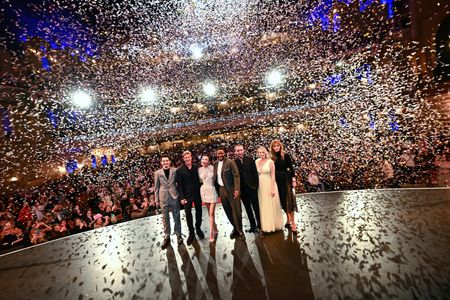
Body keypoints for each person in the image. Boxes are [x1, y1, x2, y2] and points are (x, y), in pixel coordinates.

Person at [213, 147, 245, 240]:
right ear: (216, 154)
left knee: (236, 210)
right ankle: (235, 228)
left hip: (232, 189)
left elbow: (236, 175)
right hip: (222, 190)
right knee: (227, 210)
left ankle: (240, 230)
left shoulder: (230, 162)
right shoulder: (215, 164)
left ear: (225, 153)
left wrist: (237, 189)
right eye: (218, 153)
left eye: (221, 153)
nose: (220, 155)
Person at [270, 140, 298, 234]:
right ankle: (288, 219)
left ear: (280, 146)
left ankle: (293, 223)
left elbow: (291, 167)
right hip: (277, 181)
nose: (276, 147)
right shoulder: (271, 158)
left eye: (278, 145)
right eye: (274, 146)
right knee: (283, 201)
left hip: (286, 179)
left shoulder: (285, 155)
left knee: (289, 200)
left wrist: (293, 179)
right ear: (272, 147)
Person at [154, 156, 183, 249]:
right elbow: (156, 187)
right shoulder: (157, 173)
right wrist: (156, 199)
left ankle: (178, 234)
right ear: (161, 162)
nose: (165, 162)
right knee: (165, 217)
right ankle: (167, 236)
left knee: (176, 216)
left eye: (167, 161)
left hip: (174, 196)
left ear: (169, 162)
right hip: (163, 197)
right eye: (164, 161)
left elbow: (178, 183)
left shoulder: (175, 170)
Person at [176, 151, 204, 245]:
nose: (187, 159)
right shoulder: (179, 170)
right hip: (186, 196)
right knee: (188, 214)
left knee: (199, 212)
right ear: (183, 159)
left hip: (197, 193)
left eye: (189, 157)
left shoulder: (197, 167)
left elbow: (201, 180)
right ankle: (191, 233)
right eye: (186, 157)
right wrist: (182, 197)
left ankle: (198, 229)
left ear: (191, 157)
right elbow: (179, 186)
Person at [234, 144, 261, 235]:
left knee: (256, 208)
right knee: (248, 209)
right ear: (235, 152)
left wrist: (255, 186)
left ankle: (260, 226)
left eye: (241, 150)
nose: (240, 152)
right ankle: (252, 225)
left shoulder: (250, 159)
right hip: (243, 190)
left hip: (252, 188)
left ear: (243, 150)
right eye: (238, 151)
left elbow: (255, 174)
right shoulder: (234, 163)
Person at [256, 146, 283, 234]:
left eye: (262, 152)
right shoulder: (257, 161)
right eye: (259, 153)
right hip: (261, 186)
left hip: (269, 184)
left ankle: (273, 225)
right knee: (263, 205)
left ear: (265, 153)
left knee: (271, 204)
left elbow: (273, 176)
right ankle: (265, 226)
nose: (261, 154)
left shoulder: (270, 162)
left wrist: (272, 189)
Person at [198, 155, 219, 243]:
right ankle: (215, 228)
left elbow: (216, 179)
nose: (204, 160)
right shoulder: (199, 169)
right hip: (204, 190)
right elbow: (200, 180)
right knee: (210, 213)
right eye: (203, 159)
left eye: (206, 159)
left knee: (211, 213)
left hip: (212, 190)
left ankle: (211, 234)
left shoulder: (213, 168)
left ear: (209, 161)